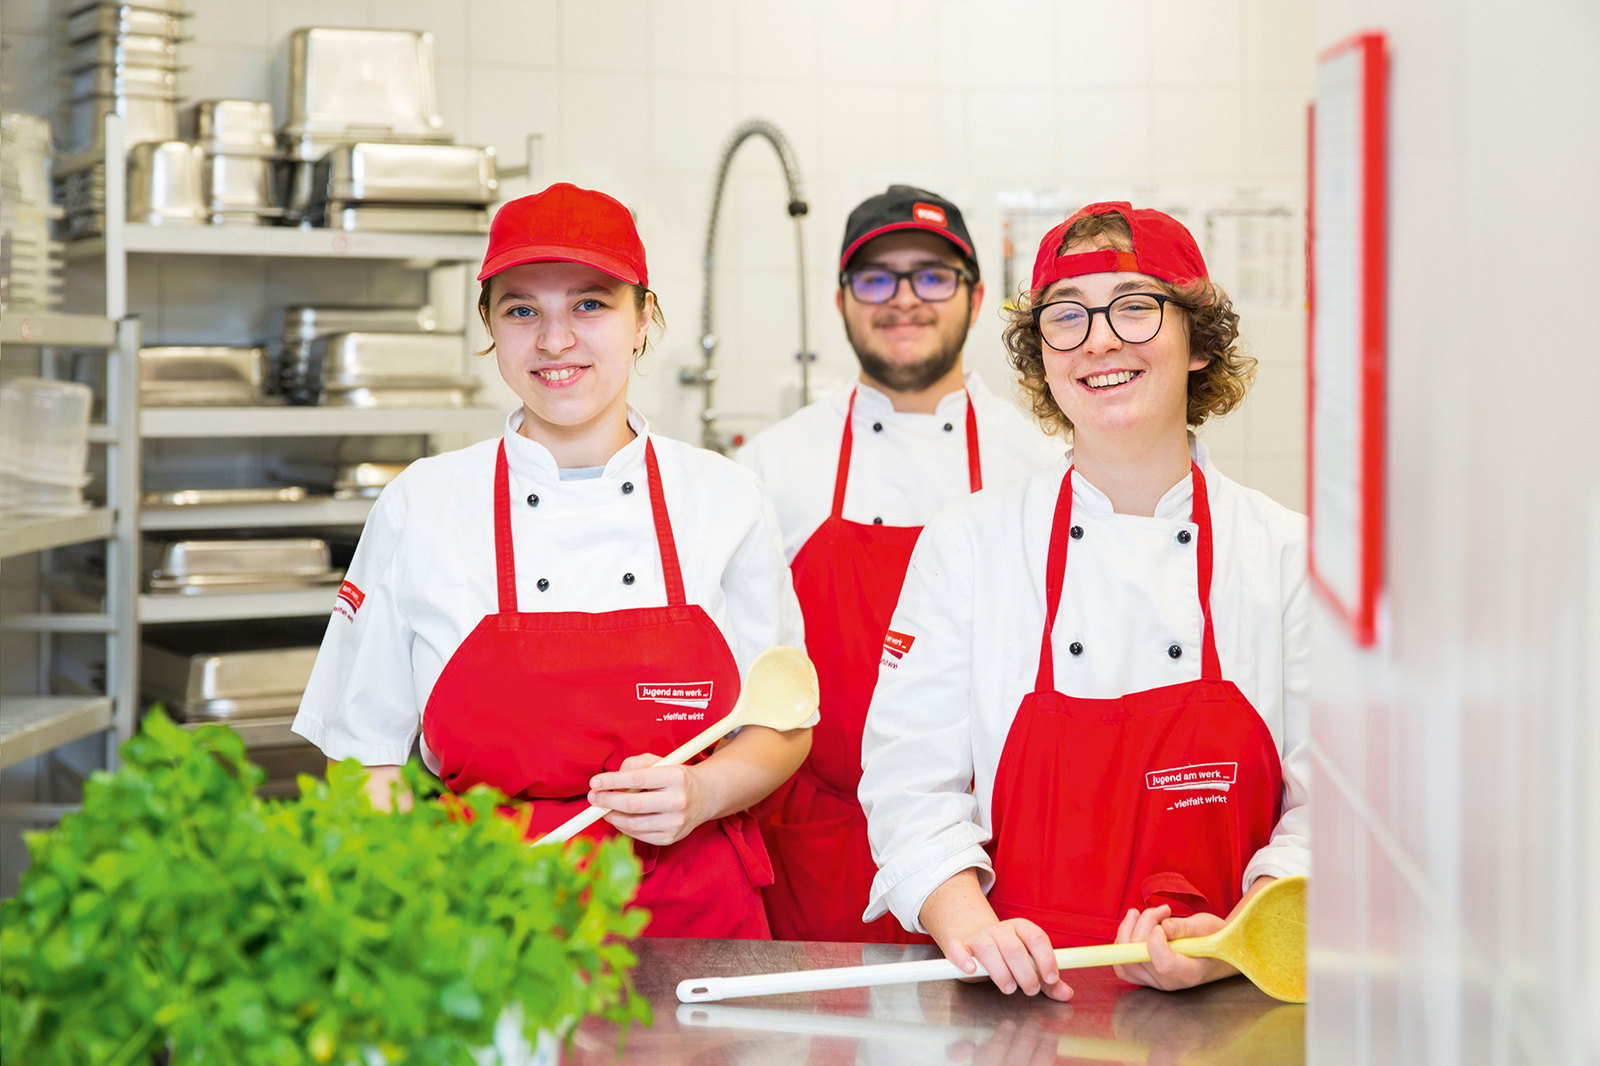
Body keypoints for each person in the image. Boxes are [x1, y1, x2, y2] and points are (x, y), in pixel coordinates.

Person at [291, 182, 811, 940]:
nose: (555, 340)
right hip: (486, 919)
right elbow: (365, 759)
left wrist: (703, 793)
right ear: (491, 329)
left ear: (643, 319)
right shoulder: (423, 505)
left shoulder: (726, 499)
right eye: (522, 309)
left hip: (697, 924)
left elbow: (784, 723)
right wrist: (415, 901)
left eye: (591, 305)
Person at [857, 202, 1309, 998]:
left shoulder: (1287, 554)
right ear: (1043, 359)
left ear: (1199, 339)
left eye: (1136, 307)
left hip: (1227, 998)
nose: (1100, 339)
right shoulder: (969, 544)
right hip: (1013, 997)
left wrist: (1240, 933)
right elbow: (907, 785)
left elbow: (1331, 804)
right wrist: (971, 926)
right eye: (1067, 317)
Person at [737, 185, 1062, 942]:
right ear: (844, 301)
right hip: (822, 854)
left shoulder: (1043, 465)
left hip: (999, 854)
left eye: (933, 276)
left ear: (976, 299)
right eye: (877, 278)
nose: (904, 300)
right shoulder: (774, 468)